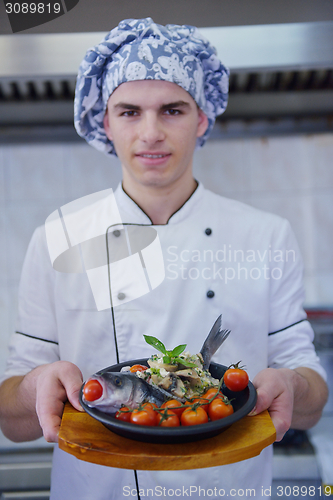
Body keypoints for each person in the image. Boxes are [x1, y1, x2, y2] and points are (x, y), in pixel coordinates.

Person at [0, 17, 328, 500]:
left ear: (201, 118)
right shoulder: (58, 236)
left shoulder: (264, 237)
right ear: (104, 121)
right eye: (129, 111)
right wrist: (33, 389)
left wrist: (295, 388)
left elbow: (311, 397)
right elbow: (13, 422)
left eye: (172, 110)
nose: (151, 133)